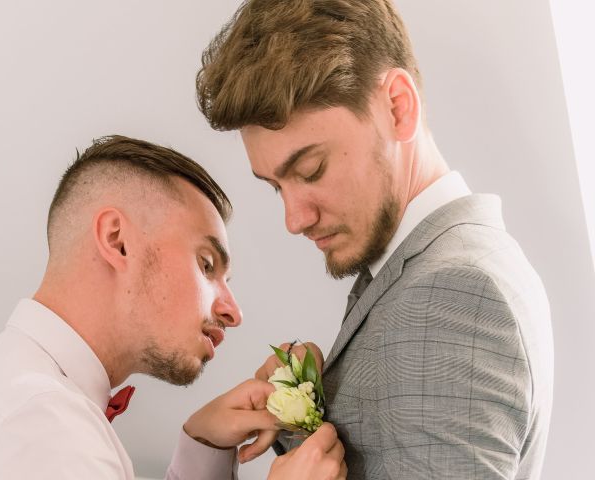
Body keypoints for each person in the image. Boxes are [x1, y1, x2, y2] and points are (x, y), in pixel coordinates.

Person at [196, 1, 554, 479]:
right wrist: (303, 421)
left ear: (397, 107)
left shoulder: (453, 295)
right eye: (276, 186)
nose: (294, 219)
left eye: (311, 169)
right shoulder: (439, 269)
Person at [0, 135, 347, 480]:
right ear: (118, 240)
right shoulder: (45, 431)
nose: (233, 311)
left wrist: (203, 448)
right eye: (207, 264)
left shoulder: (21, 400)